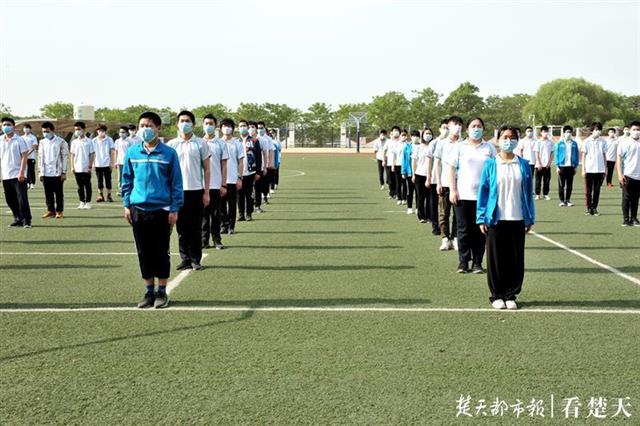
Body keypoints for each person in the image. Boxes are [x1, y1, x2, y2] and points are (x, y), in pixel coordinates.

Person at [122, 111, 183, 309]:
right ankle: (149, 291)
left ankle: (162, 291)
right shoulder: (132, 152)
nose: (144, 129)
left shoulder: (169, 153)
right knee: (143, 251)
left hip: (162, 209)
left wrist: (174, 209)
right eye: (142, 126)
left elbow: (176, 183)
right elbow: (126, 180)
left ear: (158, 128)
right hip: (138, 208)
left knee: (161, 251)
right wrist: (126, 204)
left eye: (148, 126)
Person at [477, 126, 535, 310]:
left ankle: (511, 294)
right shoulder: (490, 164)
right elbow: (483, 192)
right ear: (498, 140)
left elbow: (528, 193)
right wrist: (481, 217)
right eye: (505, 137)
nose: (508, 141)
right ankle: (497, 295)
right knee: (496, 259)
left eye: (512, 137)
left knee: (515, 258)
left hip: (517, 218)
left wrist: (529, 217)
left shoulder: (524, 164)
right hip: (496, 218)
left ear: (517, 140)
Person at [446, 117, 496, 274]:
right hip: (463, 195)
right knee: (463, 229)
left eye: (479, 126)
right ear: (467, 129)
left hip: (484, 197)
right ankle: (463, 261)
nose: (476, 128)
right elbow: (451, 169)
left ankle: (477, 262)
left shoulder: (489, 148)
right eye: (473, 126)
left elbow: (496, 170)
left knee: (481, 230)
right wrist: (453, 190)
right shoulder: (460, 147)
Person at [167, 110, 211, 271]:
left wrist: (206, 192)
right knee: (181, 228)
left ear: (193, 124)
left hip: (196, 190)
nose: (184, 123)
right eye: (182, 121)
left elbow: (206, 169)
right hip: (178, 192)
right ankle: (184, 258)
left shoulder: (200, 143)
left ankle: (195, 259)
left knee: (195, 227)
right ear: (177, 124)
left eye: (188, 121)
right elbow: (168, 170)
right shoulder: (172, 145)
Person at [201, 114, 228, 250]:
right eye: (206, 123)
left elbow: (224, 165)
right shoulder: (199, 142)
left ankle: (217, 239)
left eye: (211, 123)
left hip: (216, 184)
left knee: (216, 214)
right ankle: (204, 240)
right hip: (202, 185)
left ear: (215, 126)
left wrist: (223, 184)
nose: (208, 126)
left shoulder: (221, 143)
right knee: (203, 215)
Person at [435, 116, 462, 251]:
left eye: (459, 124)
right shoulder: (441, 143)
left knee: (458, 213)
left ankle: (455, 237)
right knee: (444, 212)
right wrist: (438, 182)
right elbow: (438, 163)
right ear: (448, 126)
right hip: (445, 182)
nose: (457, 126)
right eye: (454, 124)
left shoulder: (463, 143)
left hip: (460, 184)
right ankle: (445, 238)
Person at [0, 117, 32, 228]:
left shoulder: (19, 140)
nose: (6, 127)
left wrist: (22, 172)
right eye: (4, 124)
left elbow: (24, 156)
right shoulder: (0, 140)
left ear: (13, 126)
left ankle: (27, 220)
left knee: (22, 199)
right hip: (5, 174)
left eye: (8, 124)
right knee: (10, 200)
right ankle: (17, 218)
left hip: (18, 175)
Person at [38, 121, 68, 219]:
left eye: (47, 131)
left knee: (59, 194)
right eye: (43, 132)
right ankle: (51, 211)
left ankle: (59, 211)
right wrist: (40, 172)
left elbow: (64, 157)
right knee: (48, 194)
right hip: (46, 172)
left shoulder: (61, 142)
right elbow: (40, 157)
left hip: (57, 173)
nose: (45, 133)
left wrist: (64, 172)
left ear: (53, 130)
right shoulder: (42, 142)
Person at [220, 118, 244, 234]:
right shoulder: (218, 143)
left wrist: (239, 177)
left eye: (229, 126)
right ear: (220, 129)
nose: (226, 128)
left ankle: (231, 226)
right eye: (224, 126)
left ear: (233, 129)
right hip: (220, 180)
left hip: (233, 179)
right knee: (221, 205)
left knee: (232, 204)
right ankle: (223, 225)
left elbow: (240, 161)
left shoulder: (237, 143)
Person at [426, 120, 448, 235]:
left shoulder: (452, 143)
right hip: (435, 177)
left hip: (447, 179)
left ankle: (445, 227)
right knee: (434, 203)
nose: (446, 130)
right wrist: (428, 176)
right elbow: (429, 160)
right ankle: (435, 226)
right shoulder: (434, 143)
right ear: (439, 129)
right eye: (444, 127)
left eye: (448, 128)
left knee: (445, 206)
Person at [616, 120, 640, 227]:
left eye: (638, 130)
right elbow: (619, 158)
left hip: (638, 175)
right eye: (634, 129)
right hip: (628, 174)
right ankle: (626, 219)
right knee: (626, 197)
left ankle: (634, 218)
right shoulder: (625, 143)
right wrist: (620, 174)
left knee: (636, 198)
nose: (636, 131)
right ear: (630, 130)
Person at [580, 122, 607, 216]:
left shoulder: (603, 141)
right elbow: (583, 156)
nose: (598, 132)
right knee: (588, 190)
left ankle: (594, 208)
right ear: (592, 130)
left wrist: (605, 169)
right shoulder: (586, 141)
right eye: (596, 130)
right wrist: (583, 169)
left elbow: (604, 155)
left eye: (599, 130)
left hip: (600, 169)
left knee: (597, 190)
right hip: (589, 169)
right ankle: (588, 208)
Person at [239, 120, 263, 221]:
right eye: (240, 126)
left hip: (250, 172)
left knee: (249, 194)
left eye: (244, 126)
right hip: (239, 173)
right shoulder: (236, 141)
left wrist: (258, 172)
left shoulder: (254, 141)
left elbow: (258, 157)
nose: (242, 128)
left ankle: (249, 213)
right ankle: (241, 214)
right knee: (240, 196)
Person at [69, 121, 95, 210]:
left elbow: (92, 154)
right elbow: (72, 154)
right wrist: (72, 166)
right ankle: (81, 201)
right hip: (77, 167)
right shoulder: (74, 142)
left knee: (87, 185)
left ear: (83, 130)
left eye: (79, 129)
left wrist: (90, 166)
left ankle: (88, 202)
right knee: (79, 187)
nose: (77, 131)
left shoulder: (89, 141)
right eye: (76, 129)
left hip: (86, 167)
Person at [554, 125, 579, 207]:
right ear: (564, 133)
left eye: (570, 132)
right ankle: (562, 200)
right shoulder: (559, 143)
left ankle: (568, 200)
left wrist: (575, 166)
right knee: (561, 184)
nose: (568, 134)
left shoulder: (574, 144)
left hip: (571, 166)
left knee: (569, 185)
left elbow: (576, 154)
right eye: (567, 132)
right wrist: (557, 166)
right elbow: (556, 154)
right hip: (562, 166)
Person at [412, 128, 432, 222]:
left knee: (429, 197)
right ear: (422, 135)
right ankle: (421, 216)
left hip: (431, 175)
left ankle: (429, 216)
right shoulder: (418, 147)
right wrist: (413, 174)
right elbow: (414, 161)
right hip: (419, 174)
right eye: (426, 133)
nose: (428, 135)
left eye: (430, 133)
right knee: (420, 196)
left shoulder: (433, 146)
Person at [92, 124, 115, 202]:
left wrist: (112, 162)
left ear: (105, 131)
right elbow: (93, 153)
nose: (101, 132)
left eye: (102, 131)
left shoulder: (109, 140)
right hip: (98, 163)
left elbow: (112, 151)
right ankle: (100, 195)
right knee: (99, 180)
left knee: (108, 180)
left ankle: (109, 195)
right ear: (97, 131)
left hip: (107, 163)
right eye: (99, 131)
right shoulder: (94, 140)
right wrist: (93, 164)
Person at [533, 125, 554, 200]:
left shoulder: (550, 142)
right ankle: (537, 194)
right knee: (538, 180)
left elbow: (552, 153)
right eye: (544, 132)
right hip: (539, 165)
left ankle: (546, 194)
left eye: (547, 132)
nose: (545, 133)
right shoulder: (538, 142)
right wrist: (539, 163)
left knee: (547, 180)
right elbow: (537, 153)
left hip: (547, 165)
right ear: (541, 132)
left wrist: (549, 163)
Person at [257, 121, 274, 205]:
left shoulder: (268, 139)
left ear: (264, 128)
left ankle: (265, 196)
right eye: (258, 128)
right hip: (257, 164)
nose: (260, 130)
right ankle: (257, 197)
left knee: (265, 181)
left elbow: (271, 151)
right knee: (257, 182)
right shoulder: (254, 138)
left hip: (265, 163)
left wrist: (270, 163)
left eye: (261, 128)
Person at [400, 130, 417, 213]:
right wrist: (403, 171)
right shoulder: (407, 147)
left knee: (418, 192)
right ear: (411, 137)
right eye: (413, 136)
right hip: (409, 172)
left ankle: (418, 208)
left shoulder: (421, 146)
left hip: (419, 172)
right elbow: (404, 160)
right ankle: (409, 208)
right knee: (410, 190)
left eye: (417, 136)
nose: (415, 137)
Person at [382, 126, 400, 199]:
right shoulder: (388, 141)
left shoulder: (400, 141)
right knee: (390, 179)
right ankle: (391, 193)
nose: (396, 132)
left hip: (398, 163)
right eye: (394, 130)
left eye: (397, 130)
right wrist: (383, 160)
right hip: (389, 163)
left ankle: (396, 193)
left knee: (397, 180)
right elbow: (384, 151)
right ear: (391, 132)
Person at [115, 126, 133, 196]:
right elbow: (116, 151)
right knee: (120, 177)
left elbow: (131, 151)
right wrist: (116, 161)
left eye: (123, 132)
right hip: (120, 161)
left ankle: (128, 189)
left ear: (126, 133)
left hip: (127, 161)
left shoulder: (129, 141)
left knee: (128, 176)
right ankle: (120, 190)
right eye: (120, 132)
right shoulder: (117, 141)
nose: (121, 133)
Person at [21, 123, 38, 189]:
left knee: (31, 170)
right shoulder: (21, 137)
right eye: (25, 128)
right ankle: (27, 183)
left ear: (30, 129)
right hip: (23, 157)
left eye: (27, 128)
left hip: (31, 157)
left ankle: (32, 183)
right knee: (25, 170)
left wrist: (28, 154)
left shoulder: (33, 137)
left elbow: (34, 147)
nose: (26, 129)